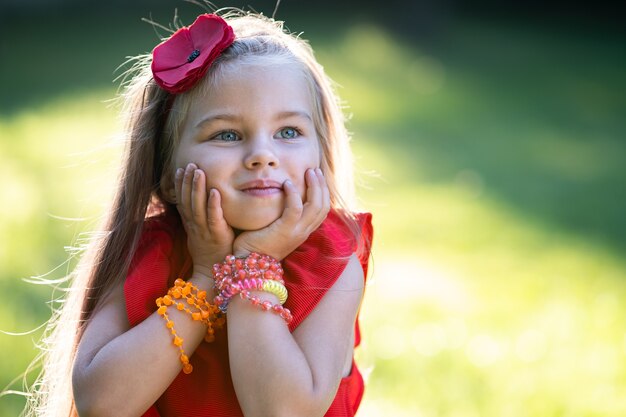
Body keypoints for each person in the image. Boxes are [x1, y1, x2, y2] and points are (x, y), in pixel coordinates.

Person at [27, 9, 372, 417]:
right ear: (169, 176)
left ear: (321, 152)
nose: (263, 155)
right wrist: (206, 276)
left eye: (288, 132)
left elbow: (282, 411)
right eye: (227, 134)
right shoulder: (149, 251)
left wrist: (251, 266)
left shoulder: (331, 260)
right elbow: (102, 404)